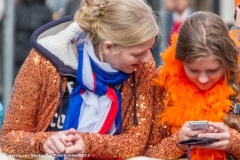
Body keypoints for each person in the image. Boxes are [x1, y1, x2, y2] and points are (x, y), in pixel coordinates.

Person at [0, 0, 159, 160]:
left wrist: (86, 144)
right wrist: (44, 142)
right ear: (108, 47)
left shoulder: (142, 66)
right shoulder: (43, 60)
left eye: (149, 50)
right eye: (138, 54)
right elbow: (9, 138)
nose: (147, 59)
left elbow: (136, 142)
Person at [143, 11, 240, 160]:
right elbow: (145, 154)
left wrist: (234, 142)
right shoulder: (162, 84)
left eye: (212, 70)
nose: (202, 79)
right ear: (181, 62)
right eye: (193, 70)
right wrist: (178, 141)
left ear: (227, 63)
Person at [14, 0, 52, 78]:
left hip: (36, 61)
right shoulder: (15, 9)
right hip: (15, 60)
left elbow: (50, 37)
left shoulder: (45, 11)